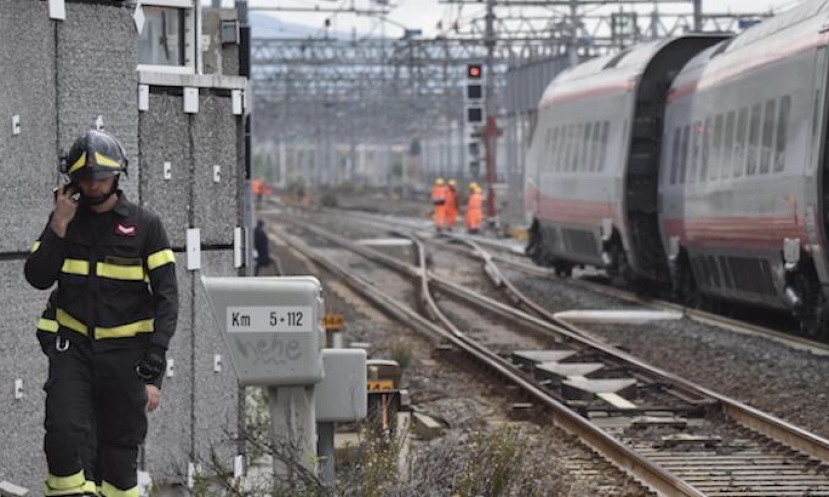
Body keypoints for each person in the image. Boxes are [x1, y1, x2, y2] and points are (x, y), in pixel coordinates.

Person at [24, 130, 178, 497]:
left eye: (101, 178)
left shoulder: (146, 227)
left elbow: (168, 300)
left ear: (117, 177)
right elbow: (37, 277)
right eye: (85, 178)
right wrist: (58, 225)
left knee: (118, 459)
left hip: (126, 358)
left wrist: (154, 368)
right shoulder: (65, 221)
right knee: (63, 435)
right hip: (72, 349)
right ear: (72, 182)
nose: (93, 185)